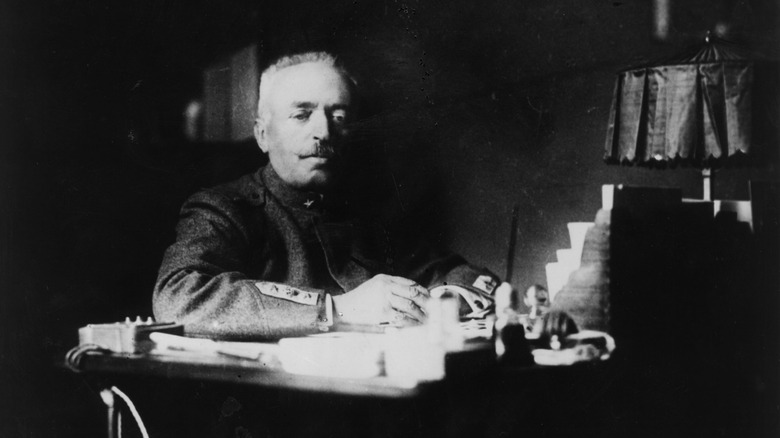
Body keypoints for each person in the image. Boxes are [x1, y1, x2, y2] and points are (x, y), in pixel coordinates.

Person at [153, 51, 499, 339]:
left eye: (339, 116)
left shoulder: (370, 216)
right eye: (302, 115)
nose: (323, 132)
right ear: (262, 135)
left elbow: (467, 276)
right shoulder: (224, 208)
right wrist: (338, 309)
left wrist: (443, 300)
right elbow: (180, 295)